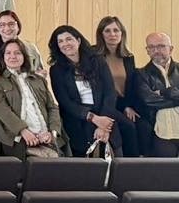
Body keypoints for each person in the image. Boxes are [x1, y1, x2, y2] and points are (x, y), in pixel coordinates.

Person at [138, 32, 179, 189]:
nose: (157, 50)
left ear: (171, 48)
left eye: (161, 46)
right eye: (152, 47)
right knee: (164, 182)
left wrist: (164, 92)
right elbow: (149, 100)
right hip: (162, 135)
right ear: (147, 50)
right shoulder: (141, 74)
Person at [48, 25, 125, 157]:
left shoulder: (98, 61)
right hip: (78, 121)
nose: (65, 44)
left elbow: (110, 93)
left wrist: (103, 126)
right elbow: (65, 102)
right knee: (86, 171)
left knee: (116, 167)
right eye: (60, 41)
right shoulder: (56, 70)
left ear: (78, 40)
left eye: (68, 39)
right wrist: (92, 118)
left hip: (105, 116)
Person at [0, 39, 67, 158]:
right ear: (3, 57)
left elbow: (52, 107)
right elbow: (2, 111)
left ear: (24, 56)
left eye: (17, 53)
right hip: (16, 137)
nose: (12, 56)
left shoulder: (39, 80)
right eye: (8, 53)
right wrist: (23, 131)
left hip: (45, 135)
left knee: (57, 166)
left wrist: (52, 133)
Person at [98, 16, 147, 157]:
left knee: (144, 125)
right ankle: (131, 166)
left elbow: (130, 86)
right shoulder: (95, 56)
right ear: (101, 34)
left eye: (116, 30)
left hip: (122, 103)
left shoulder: (128, 57)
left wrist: (127, 106)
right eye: (107, 31)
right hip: (105, 104)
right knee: (129, 127)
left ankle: (146, 164)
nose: (112, 34)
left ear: (122, 34)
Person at [0, 11, 44, 77]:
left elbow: (41, 75)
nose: (7, 28)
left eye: (11, 24)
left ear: (18, 26)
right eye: (2, 25)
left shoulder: (31, 48)